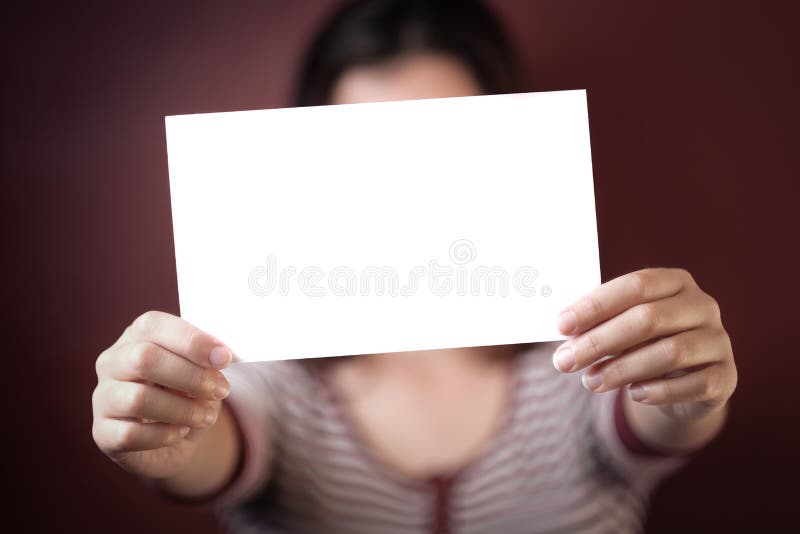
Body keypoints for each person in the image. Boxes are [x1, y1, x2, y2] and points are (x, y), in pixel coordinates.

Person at [91, 1, 738, 532]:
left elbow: (658, 413)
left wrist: (690, 383)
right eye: (364, 155)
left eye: (447, 147)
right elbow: (211, 450)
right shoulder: (264, 375)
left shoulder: (584, 353)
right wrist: (160, 437)